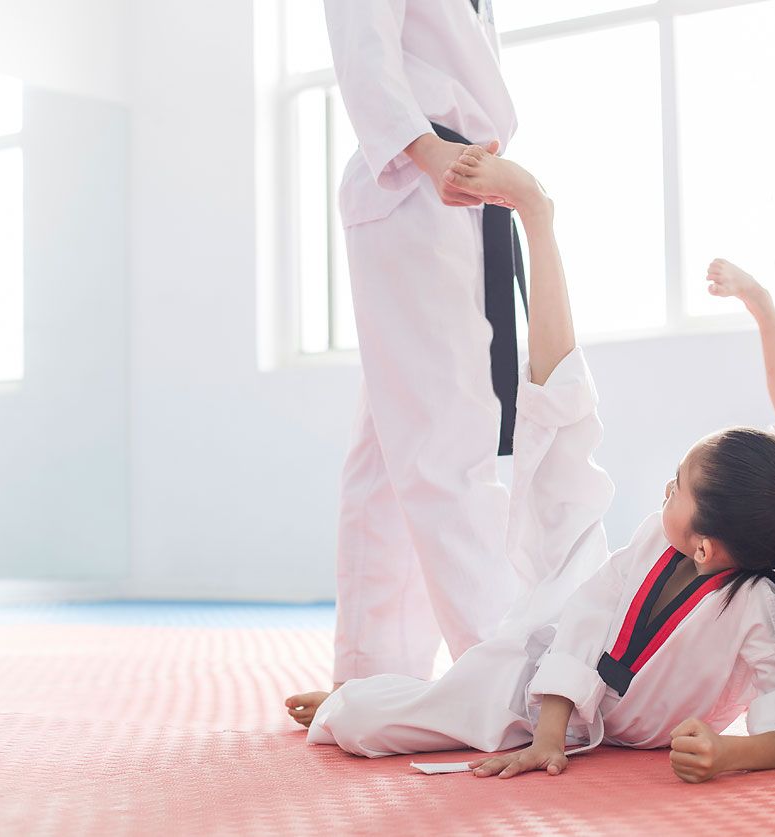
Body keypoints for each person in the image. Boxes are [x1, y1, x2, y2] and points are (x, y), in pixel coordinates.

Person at [297, 148, 775, 782]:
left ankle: (367, 701)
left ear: (705, 548)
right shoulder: (660, 534)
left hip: (546, 690)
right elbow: (591, 611)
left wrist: (732, 754)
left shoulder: (760, 606)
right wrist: (549, 730)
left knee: (361, 725)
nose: (664, 490)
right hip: (553, 664)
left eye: (678, 488)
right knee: (563, 438)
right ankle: (538, 216)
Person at [287, 0, 524, 720]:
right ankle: (501, 674)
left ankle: (370, 671)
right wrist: (425, 151)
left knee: (388, 447)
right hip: (421, 178)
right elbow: (362, 45)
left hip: (455, 181)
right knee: (444, 435)